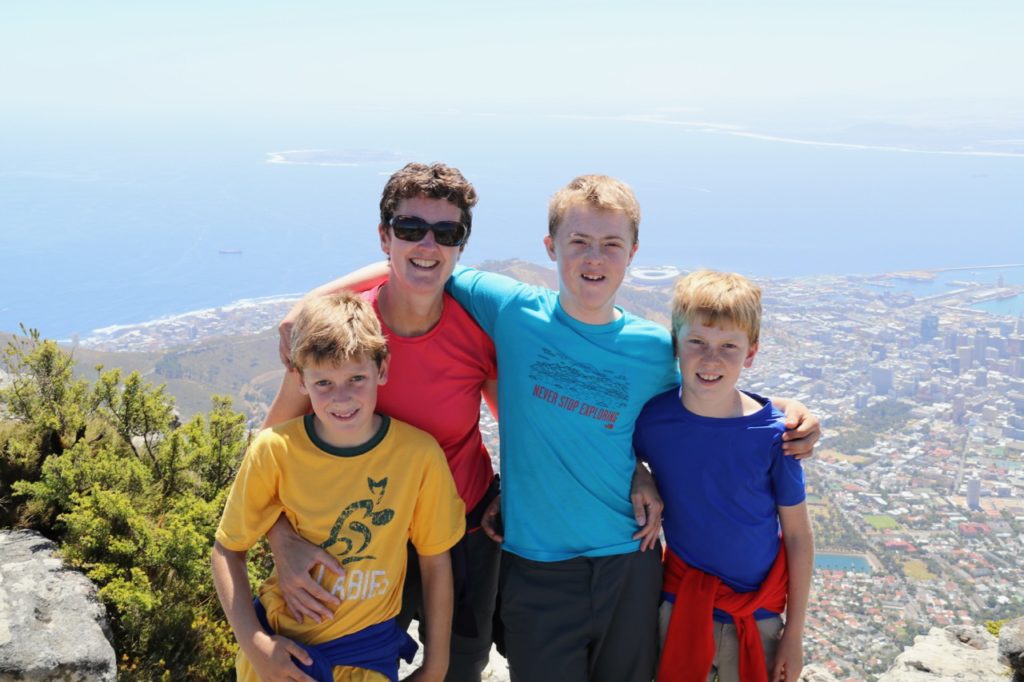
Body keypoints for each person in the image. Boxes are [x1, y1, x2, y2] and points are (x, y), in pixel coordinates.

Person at [271, 173, 819, 682]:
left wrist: (787, 414)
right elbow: (420, 264)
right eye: (578, 241)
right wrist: (313, 302)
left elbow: (710, 390)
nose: (594, 258)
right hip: (535, 566)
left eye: (610, 244)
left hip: (628, 559)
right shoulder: (511, 310)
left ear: (632, 254)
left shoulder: (655, 350)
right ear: (550, 247)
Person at [212, 292, 466, 682]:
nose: (341, 398)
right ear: (299, 379)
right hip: (283, 655)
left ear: (382, 369)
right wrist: (256, 645)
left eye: (357, 378)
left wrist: (437, 665)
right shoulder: (274, 450)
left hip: (368, 657)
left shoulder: (417, 455)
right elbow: (228, 551)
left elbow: (434, 560)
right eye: (324, 382)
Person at [632, 270, 814, 682]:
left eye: (728, 346)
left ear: (750, 353)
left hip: (760, 615)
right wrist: (638, 473)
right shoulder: (652, 421)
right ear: (676, 344)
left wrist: (795, 634)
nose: (710, 359)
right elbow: (614, 457)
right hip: (678, 607)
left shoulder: (774, 435)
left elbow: (799, 536)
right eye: (697, 342)